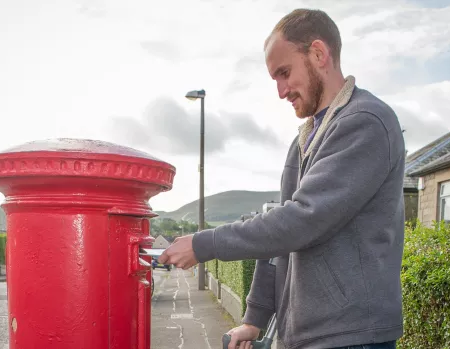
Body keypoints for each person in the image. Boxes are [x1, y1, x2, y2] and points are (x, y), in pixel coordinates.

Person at [158, 8, 405, 349]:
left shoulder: (366, 122)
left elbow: (303, 220)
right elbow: (279, 235)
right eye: (275, 78)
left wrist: (204, 244)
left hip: (351, 336)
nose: (280, 90)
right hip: (307, 336)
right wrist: (254, 319)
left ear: (319, 54)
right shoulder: (304, 139)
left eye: (284, 73)